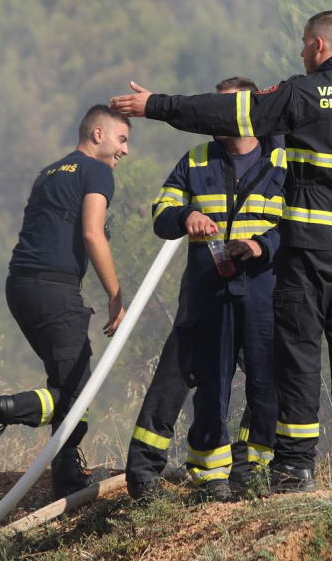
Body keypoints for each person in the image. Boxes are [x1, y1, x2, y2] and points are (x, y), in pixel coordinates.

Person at [111, 10, 332, 493]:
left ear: (318, 45)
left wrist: (156, 105)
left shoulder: (303, 94)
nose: (301, 53)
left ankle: (296, 467)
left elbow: (226, 113)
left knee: (299, 356)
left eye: (303, 45)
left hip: (307, 251)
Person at [0, 105, 130, 499]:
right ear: (97, 134)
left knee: (68, 386)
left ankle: (65, 472)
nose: (125, 150)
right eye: (122, 139)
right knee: (76, 393)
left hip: (20, 287)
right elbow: (93, 234)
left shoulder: (49, 172)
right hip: (54, 291)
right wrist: (116, 296)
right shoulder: (97, 171)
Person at [125, 77, 286, 503]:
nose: (215, 116)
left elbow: (302, 224)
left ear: (248, 112)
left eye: (224, 108)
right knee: (208, 386)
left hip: (264, 293)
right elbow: (162, 212)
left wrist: (262, 245)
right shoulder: (195, 160)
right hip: (207, 294)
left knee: (267, 385)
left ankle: (251, 471)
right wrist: (186, 217)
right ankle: (209, 478)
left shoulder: (285, 161)